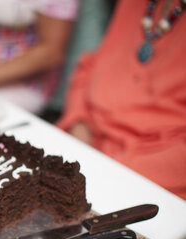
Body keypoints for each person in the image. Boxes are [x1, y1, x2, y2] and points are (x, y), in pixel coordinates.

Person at [57, 0, 186, 200]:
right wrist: (78, 122)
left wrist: (108, 171)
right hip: (87, 149)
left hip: (148, 181)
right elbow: (89, 65)